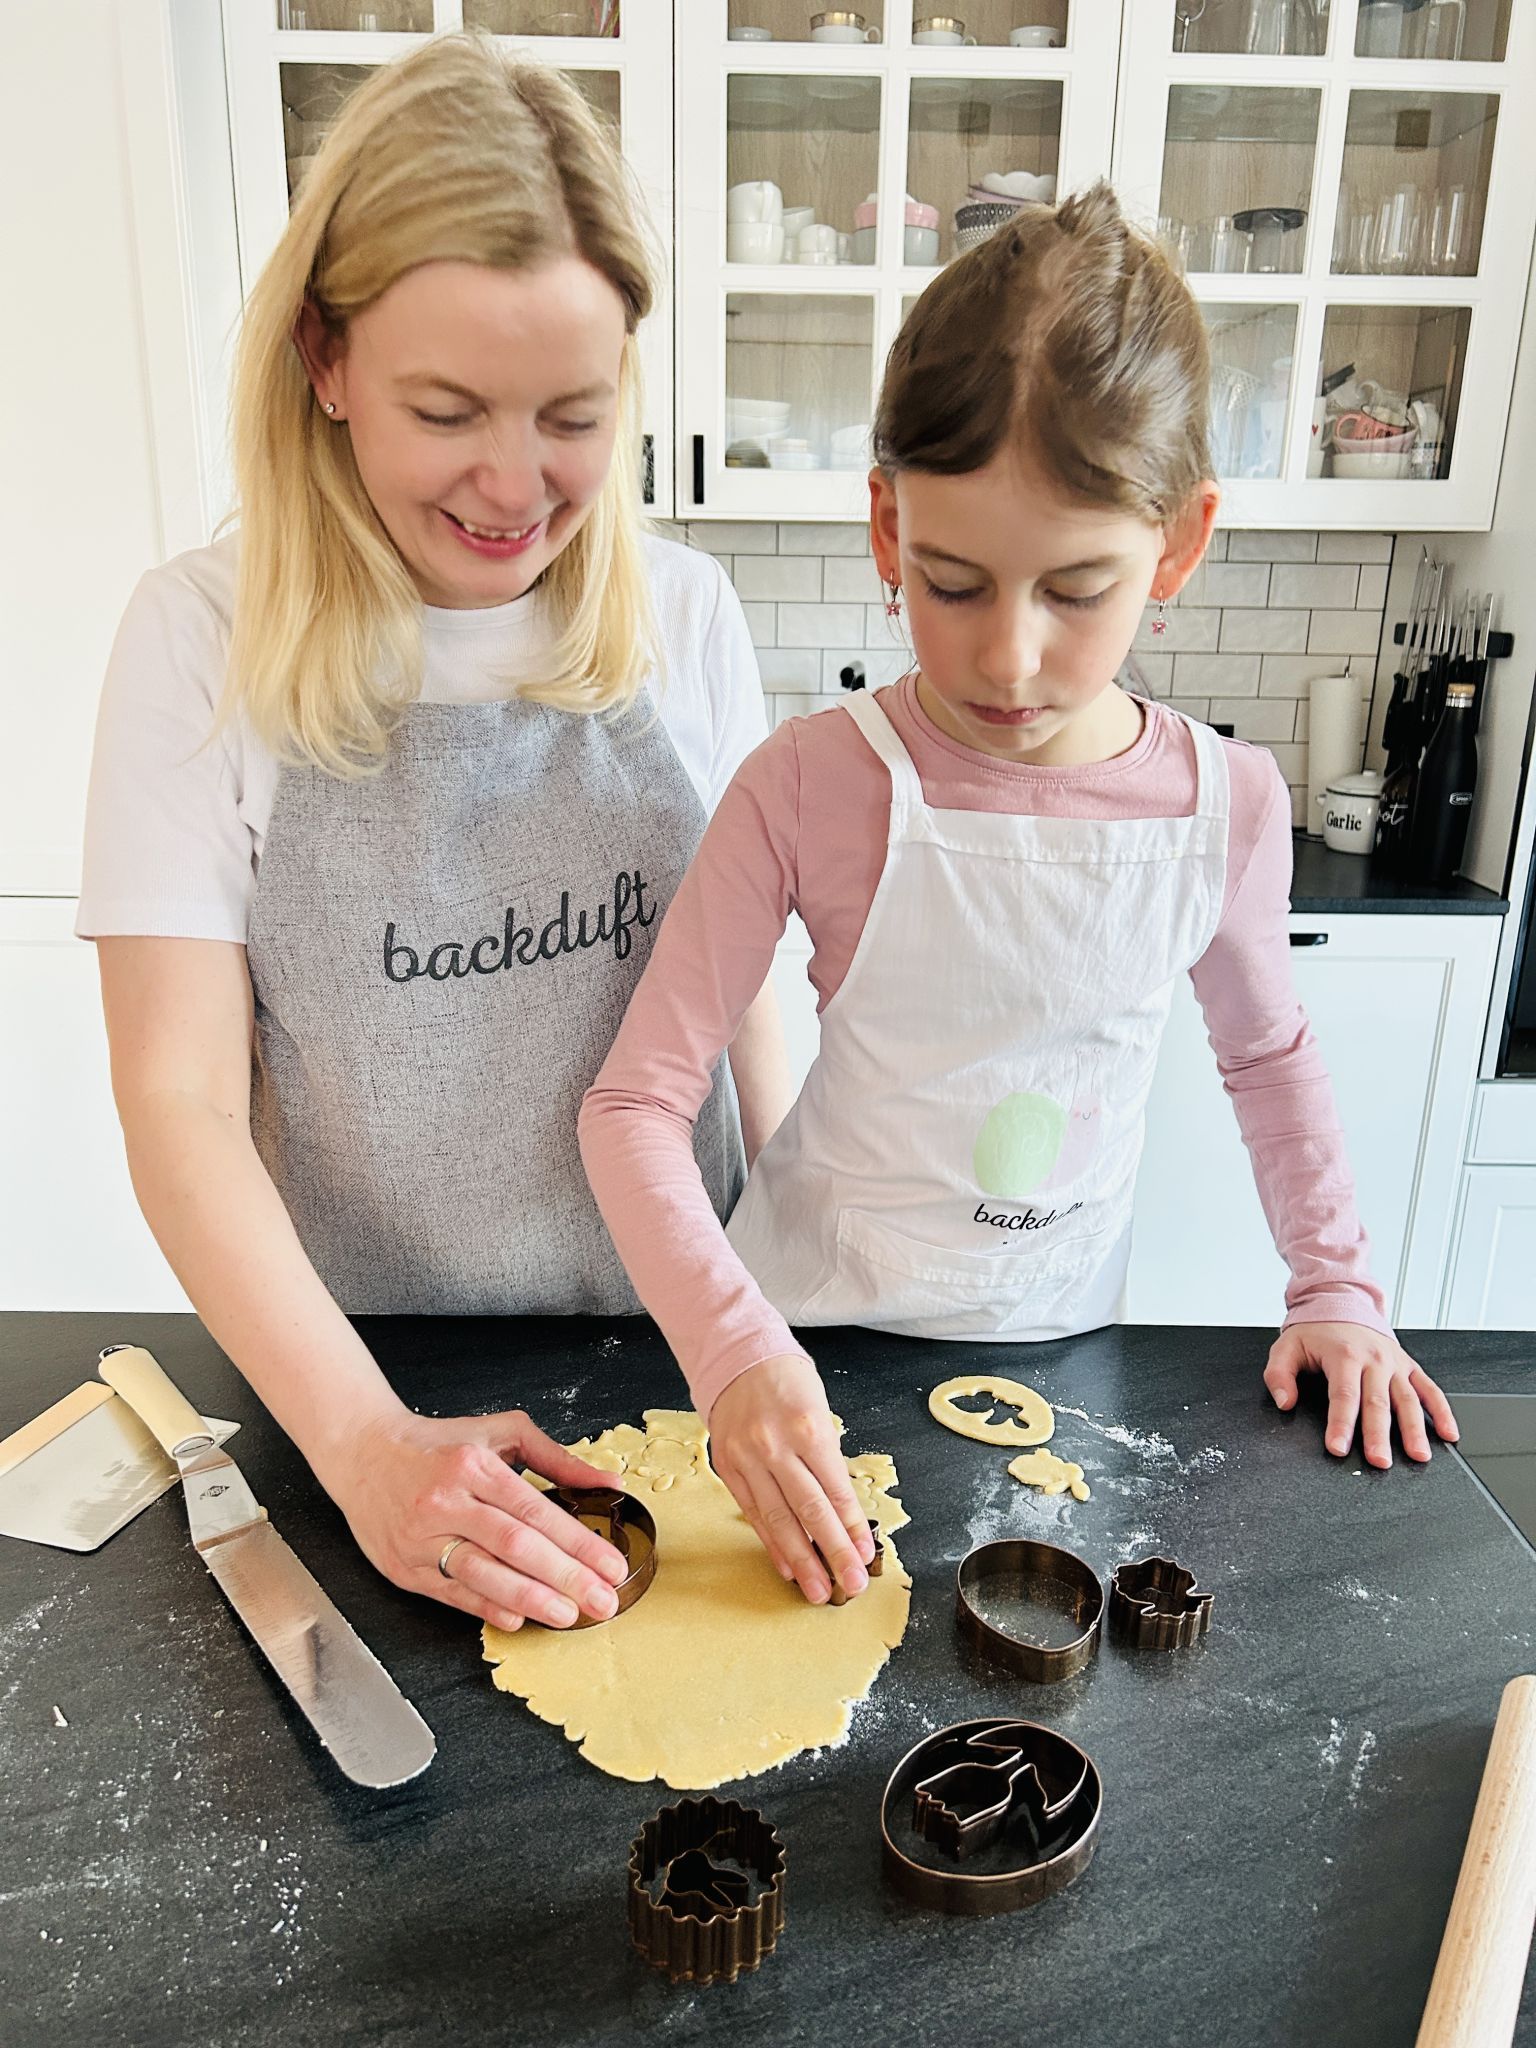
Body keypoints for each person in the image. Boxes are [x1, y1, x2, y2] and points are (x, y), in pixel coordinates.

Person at [580, 182, 1460, 1608]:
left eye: (1078, 588)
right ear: (885, 528)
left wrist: (1337, 1292)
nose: (1009, 657)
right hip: (802, 1347)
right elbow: (631, 1109)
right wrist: (735, 1353)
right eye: (953, 581)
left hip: (1060, 1353)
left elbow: (1270, 1056)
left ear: (1177, 545)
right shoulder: (808, 783)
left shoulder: (1222, 805)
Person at [76, 37, 788, 1637]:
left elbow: (756, 1003)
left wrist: (798, 1327)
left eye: (573, 416)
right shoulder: (199, 636)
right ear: (325, 360)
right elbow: (177, 1098)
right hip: (359, 1384)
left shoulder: (685, 612)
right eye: (448, 409)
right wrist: (363, 1443)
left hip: (681, 1366)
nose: (515, 485)